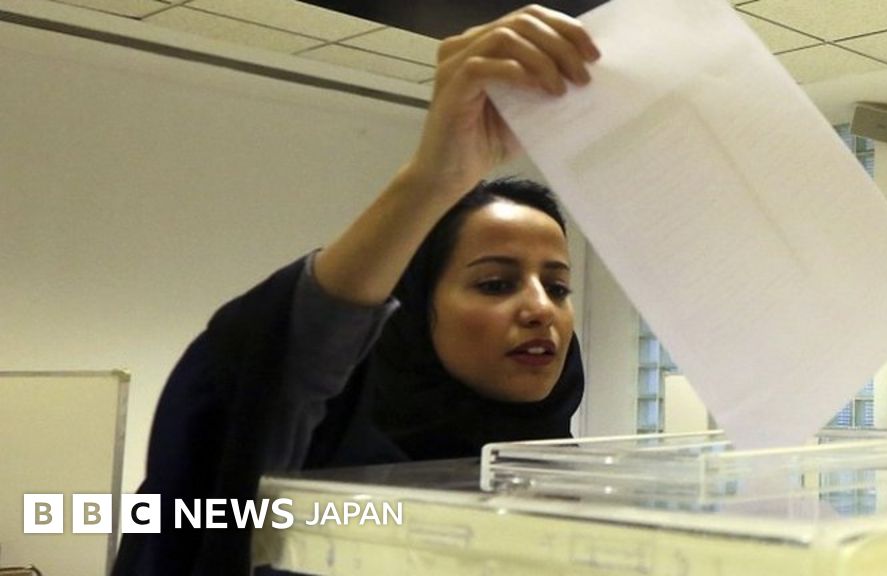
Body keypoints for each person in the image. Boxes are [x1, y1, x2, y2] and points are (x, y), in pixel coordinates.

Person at [111, 5, 601, 575]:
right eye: (496, 283)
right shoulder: (317, 481)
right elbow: (258, 373)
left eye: (558, 286)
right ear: (412, 312)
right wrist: (431, 179)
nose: (541, 309)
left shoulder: (591, 498)